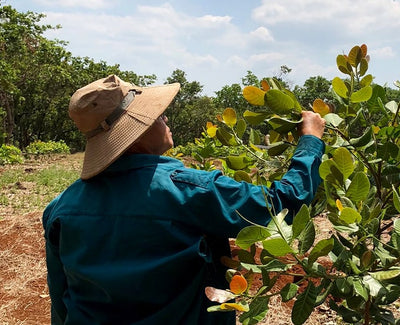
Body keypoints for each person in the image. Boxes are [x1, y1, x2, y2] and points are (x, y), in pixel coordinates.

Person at [42, 75, 326, 324]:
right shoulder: (190, 189)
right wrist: (311, 141)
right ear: (135, 132)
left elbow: (61, 297)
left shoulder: (60, 208)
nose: (165, 117)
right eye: (156, 114)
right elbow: (281, 204)